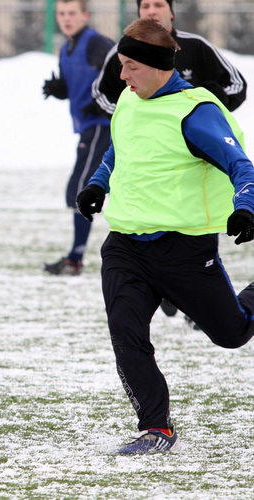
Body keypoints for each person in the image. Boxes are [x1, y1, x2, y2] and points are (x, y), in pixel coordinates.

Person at [76, 18, 254, 455]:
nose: (122, 76)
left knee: (231, 334)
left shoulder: (197, 113)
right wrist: (98, 183)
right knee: (125, 332)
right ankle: (156, 428)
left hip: (184, 250)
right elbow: (120, 148)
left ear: (157, 66)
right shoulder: (131, 102)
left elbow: (242, 168)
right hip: (125, 246)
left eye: (130, 66)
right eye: (120, 65)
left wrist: (246, 207)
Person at [91, 0, 247, 319]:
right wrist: (98, 184)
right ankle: (170, 289)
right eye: (144, 4)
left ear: (171, 11)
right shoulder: (129, 91)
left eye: (158, 3)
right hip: (136, 229)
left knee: (229, 329)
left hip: (191, 216)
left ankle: (189, 295)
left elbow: (237, 86)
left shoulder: (196, 53)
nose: (151, 9)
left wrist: (213, 102)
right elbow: (102, 96)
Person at [42, 0, 113, 276]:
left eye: (72, 13)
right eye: (61, 14)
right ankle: (77, 257)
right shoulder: (66, 49)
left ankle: (75, 259)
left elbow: (119, 73)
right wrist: (60, 88)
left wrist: (104, 99)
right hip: (88, 126)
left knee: (81, 189)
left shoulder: (96, 43)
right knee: (92, 188)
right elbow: (74, 84)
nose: (66, 18)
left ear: (85, 15)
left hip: (103, 125)